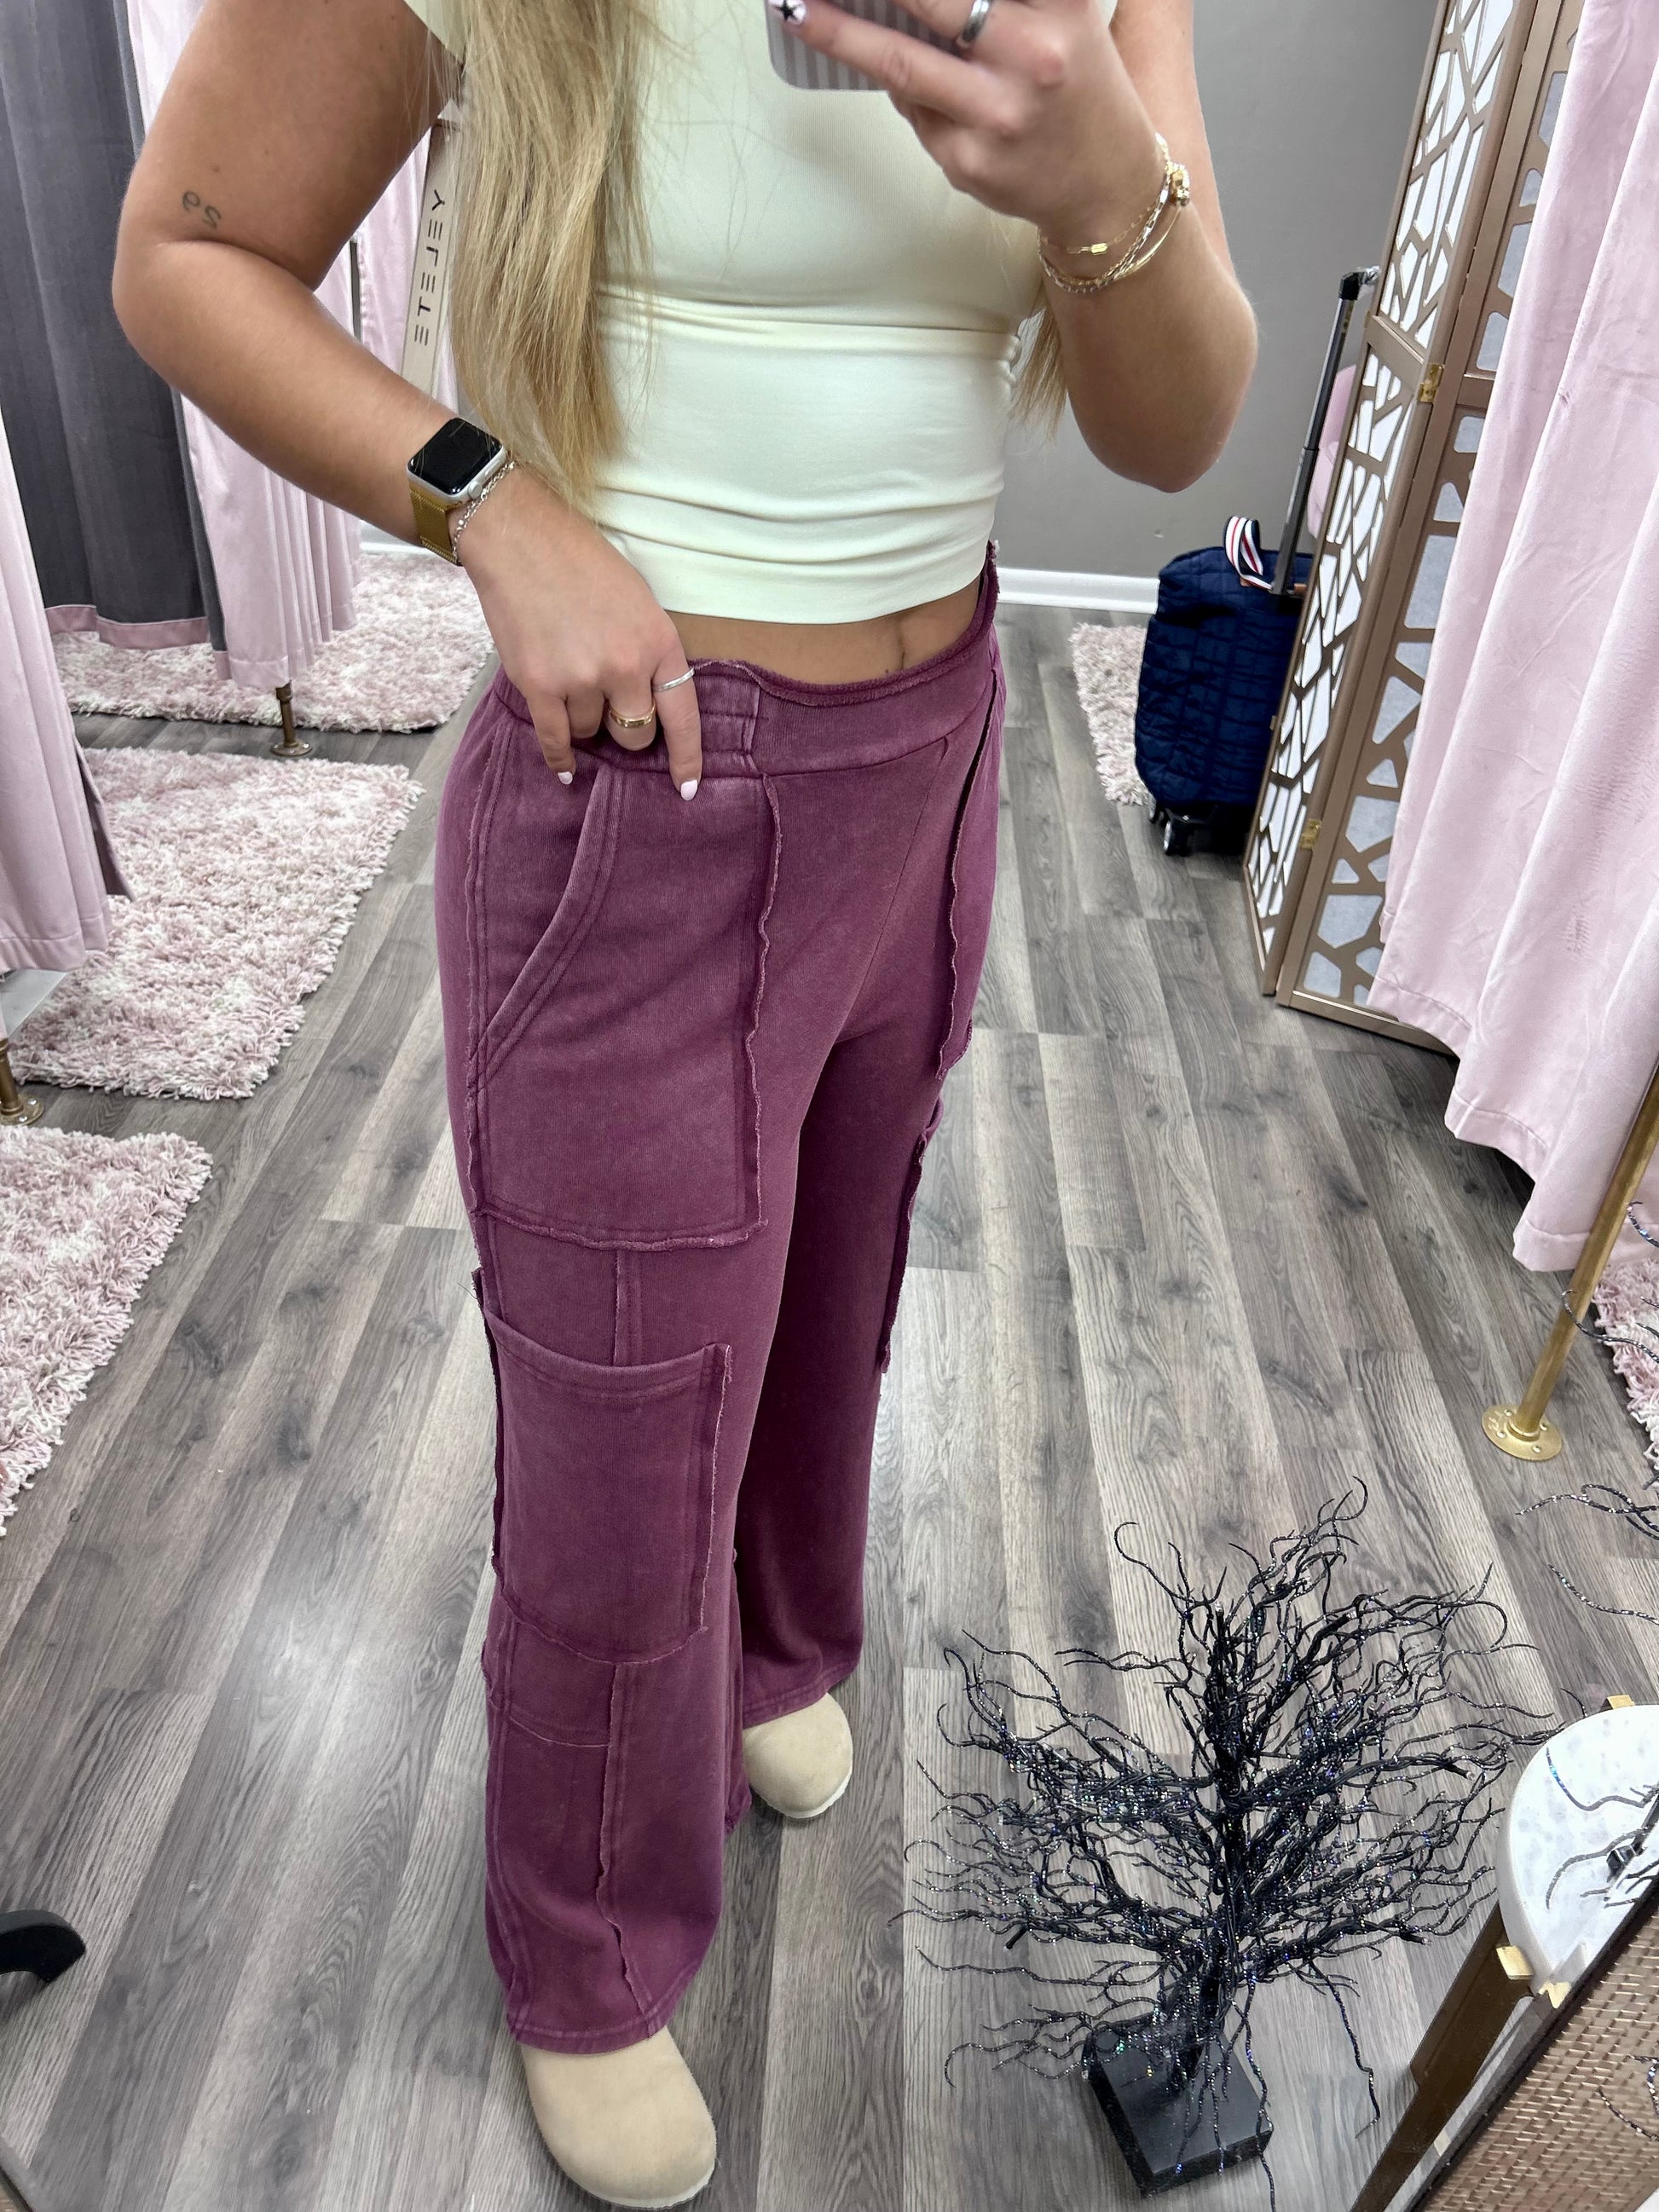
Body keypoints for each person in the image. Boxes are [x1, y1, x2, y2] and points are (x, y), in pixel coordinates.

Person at [113, 0, 1253, 2197]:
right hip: (638, 787)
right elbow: (189, 251)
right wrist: (487, 501)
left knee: (833, 1295)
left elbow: (1173, 430)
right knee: (627, 1409)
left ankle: (773, 1653)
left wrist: (1100, 176)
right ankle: (589, 1945)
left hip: (932, 753)